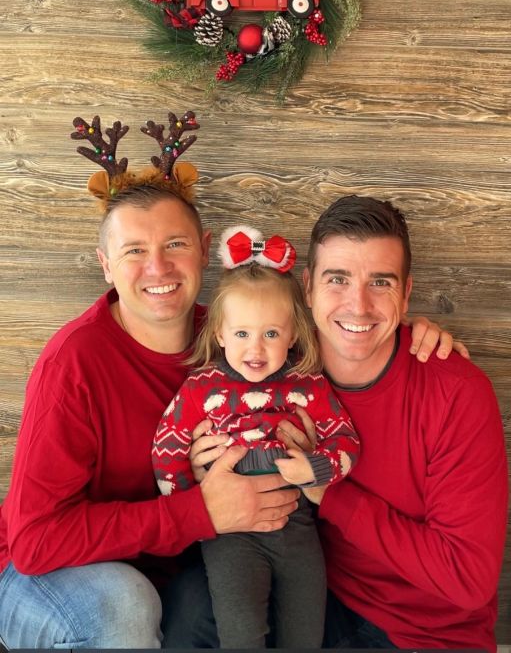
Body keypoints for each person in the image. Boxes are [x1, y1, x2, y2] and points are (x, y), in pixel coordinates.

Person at [0, 109, 464, 650]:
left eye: (175, 245)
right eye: (134, 251)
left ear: (204, 248)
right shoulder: (75, 364)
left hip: (184, 558)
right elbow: (35, 544)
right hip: (46, 578)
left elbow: (340, 327)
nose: (158, 268)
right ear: (106, 264)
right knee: (125, 604)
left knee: (223, 609)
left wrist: (409, 335)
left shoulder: (239, 339)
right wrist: (198, 509)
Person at [282, 195, 508, 650]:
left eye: (380, 282)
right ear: (307, 288)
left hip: (424, 632)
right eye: (337, 279)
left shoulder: (456, 393)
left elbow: (467, 578)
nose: (358, 305)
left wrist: (331, 493)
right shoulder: (276, 372)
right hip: (318, 602)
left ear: (405, 294)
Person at [153, 225, 360, 648]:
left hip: (297, 528)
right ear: (220, 333)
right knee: (241, 633)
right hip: (230, 536)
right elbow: (166, 447)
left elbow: (346, 440)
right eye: (242, 334)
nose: (256, 349)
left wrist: (315, 468)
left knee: (306, 632)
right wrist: (192, 502)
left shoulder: (308, 384)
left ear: (293, 334)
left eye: (271, 334)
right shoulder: (201, 388)